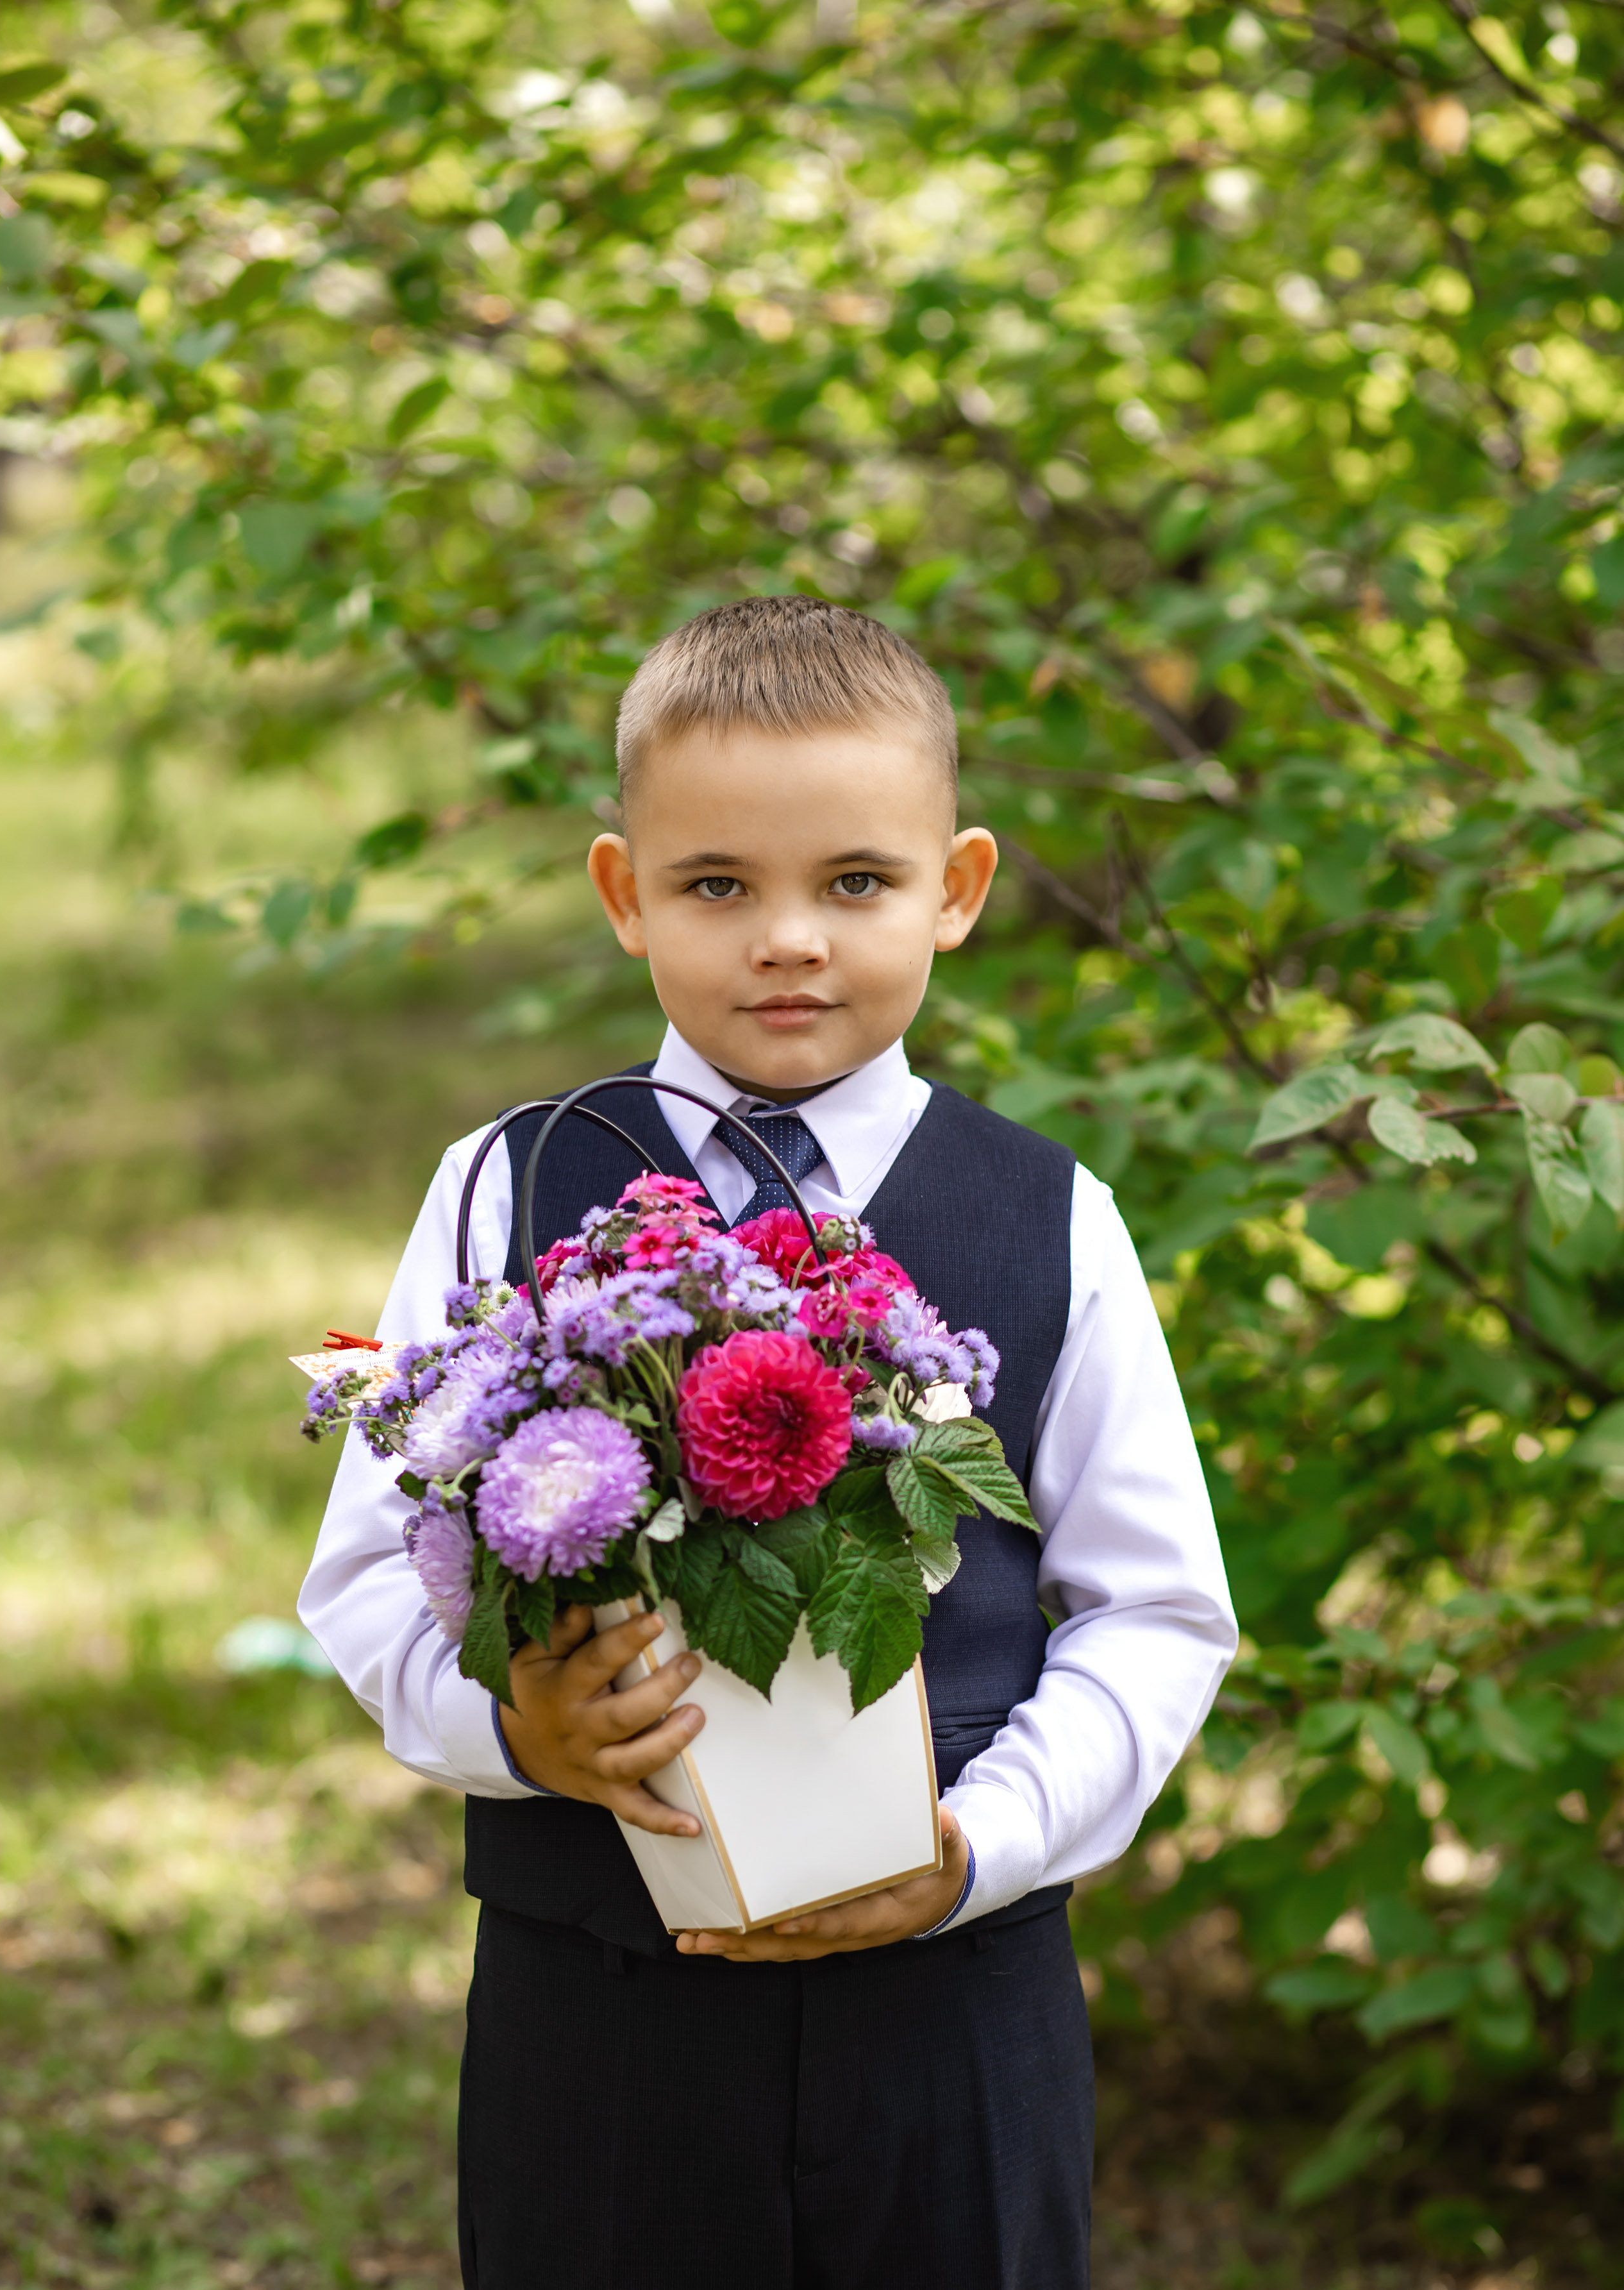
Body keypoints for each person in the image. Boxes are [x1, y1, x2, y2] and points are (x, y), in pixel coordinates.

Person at [299, 593, 1236, 2290]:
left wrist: (983, 1846)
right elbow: (366, 1575)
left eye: (855, 883)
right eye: (716, 884)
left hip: (952, 2015)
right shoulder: (505, 1185)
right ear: (621, 893)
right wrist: (516, 1726)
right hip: (598, 2014)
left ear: (955, 889)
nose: (785, 938)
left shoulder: (1048, 1218)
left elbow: (1153, 1612)